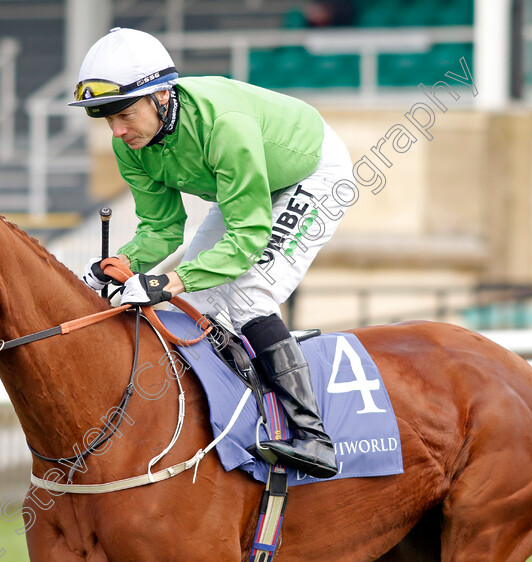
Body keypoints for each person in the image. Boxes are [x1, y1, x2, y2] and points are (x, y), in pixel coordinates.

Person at [73, 28, 353, 479]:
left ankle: (313, 436)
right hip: (245, 192)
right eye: (108, 121)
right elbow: (161, 231)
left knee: (249, 296)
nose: (118, 131)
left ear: (162, 96)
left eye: (125, 115)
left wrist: (164, 282)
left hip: (311, 174)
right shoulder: (131, 145)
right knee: (198, 305)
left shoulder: (223, 125)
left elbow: (245, 240)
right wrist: (115, 267)